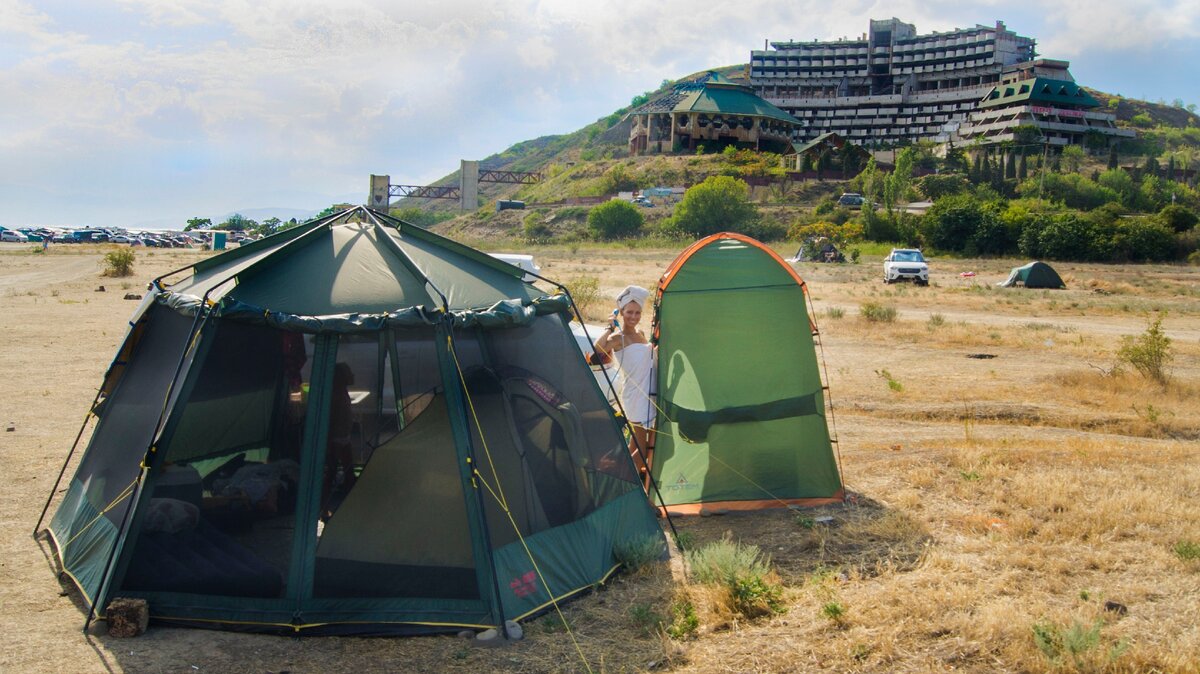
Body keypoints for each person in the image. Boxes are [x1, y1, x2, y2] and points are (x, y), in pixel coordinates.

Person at [593, 285, 655, 491]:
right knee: (643, 448)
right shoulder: (617, 339)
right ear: (621, 312)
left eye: (637, 313)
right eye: (629, 312)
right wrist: (610, 327)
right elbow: (596, 350)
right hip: (635, 396)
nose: (634, 317)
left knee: (635, 445)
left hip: (647, 394)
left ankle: (626, 486)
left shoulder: (642, 333)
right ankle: (621, 482)